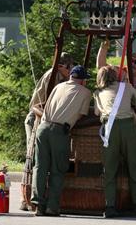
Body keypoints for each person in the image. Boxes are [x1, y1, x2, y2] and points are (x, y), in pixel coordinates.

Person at [31, 65, 91, 216]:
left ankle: (38, 205)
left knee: (40, 167)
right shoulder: (85, 92)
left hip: (42, 128)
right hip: (60, 131)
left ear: (71, 77)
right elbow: (81, 115)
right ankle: (52, 206)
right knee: (58, 169)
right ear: (83, 81)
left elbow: (45, 107)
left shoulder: (58, 87)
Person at [93, 65, 136, 219]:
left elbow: (97, 112)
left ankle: (110, 206)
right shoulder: (126, 87)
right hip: (127, 127)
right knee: (134, 165)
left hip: (109, 128)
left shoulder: (98, 93)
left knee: (110, 169)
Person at [20, 52, 74, 211]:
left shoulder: (63, 79)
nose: (71, 70)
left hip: (46, 120)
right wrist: (49, 118)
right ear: (61, 66)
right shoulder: (51, 77)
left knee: (42, 161)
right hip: (36, 119)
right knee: (34, 157)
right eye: (69, 66)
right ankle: (27, 199)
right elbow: (35, 105)